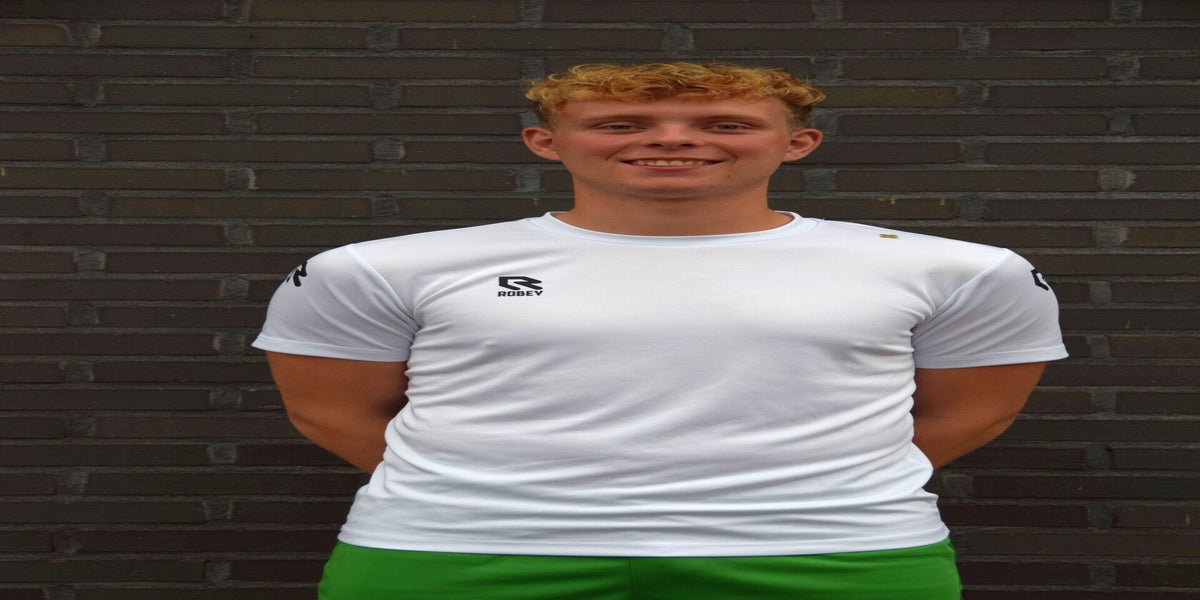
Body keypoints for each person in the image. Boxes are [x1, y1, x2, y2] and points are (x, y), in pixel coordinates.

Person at [254, 62, 1068, 599]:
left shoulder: (962, 270)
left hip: (837, 556)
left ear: (798, 143)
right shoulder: (377, 268)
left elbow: (972, 411)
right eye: (620, 123)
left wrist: (811, 488)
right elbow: (331, 411)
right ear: (545, 142)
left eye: (725, 124)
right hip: (455, 555)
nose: (672, 139)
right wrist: (496, 491)